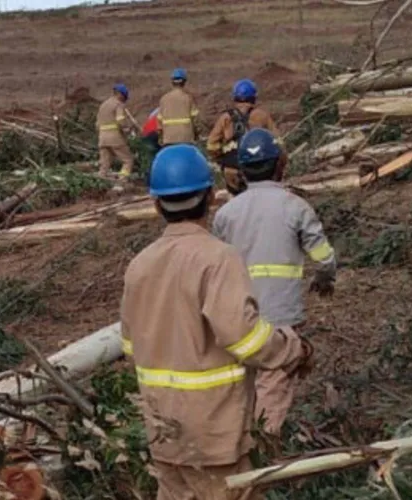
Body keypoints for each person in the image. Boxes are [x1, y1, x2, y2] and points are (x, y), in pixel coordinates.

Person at [120, 143, 312, 500]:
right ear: (210, 197)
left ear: (156, 203)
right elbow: (246, 339)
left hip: (163, 432)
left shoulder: (139, 266)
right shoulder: (218, 259)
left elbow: (131, 347)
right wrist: (294, 349)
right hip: (214, 433)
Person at [211, 128, 335, 437]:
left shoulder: (226, 214)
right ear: (279, 165)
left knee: (242, 383)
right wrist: (325, 278)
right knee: (274, 381)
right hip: (281, 316)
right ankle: (264, 452)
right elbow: (324, 257)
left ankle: (240, 443)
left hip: (238, 317)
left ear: (241, 171)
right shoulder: (295, 207)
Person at [206, 79, 280, 196]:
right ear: (253, 97)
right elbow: (278, 143)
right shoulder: (262, 116)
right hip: (258, 168)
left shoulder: (225, 118)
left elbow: (211, 145)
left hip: (231, 170)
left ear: (235, 98)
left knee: (236, 200)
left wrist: (221, 159)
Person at [95, 83, 135, 180]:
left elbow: (97, 124)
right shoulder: (118, 104)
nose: (125, 100)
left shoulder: (103, 105)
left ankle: (101, 181)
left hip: (102, 139)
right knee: (128, 160)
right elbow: (120, 120)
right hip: (115, 138)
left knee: (104, 164)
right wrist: (127, 128)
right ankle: (123, 179)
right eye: (125, 97)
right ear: (120, 94)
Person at [157, 68, 200, 146]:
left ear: (172, 82)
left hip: (168, 138)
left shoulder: (164, 99)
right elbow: (196, 120)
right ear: (184, 82)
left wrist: (160, 138)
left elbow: (159, 123)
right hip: (186, 138)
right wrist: (197, 134)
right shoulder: (188, 98)